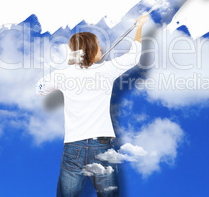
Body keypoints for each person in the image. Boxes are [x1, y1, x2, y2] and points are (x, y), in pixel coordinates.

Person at [36, 13, 149, 197]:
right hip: (102, 146)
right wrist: (139, 27)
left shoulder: (63, 74)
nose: (100, 47)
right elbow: (134, 55)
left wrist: (61, 76)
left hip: (74, 147)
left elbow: (39, 88)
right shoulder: (107, 70)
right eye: (97, 44)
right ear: (89, 49)